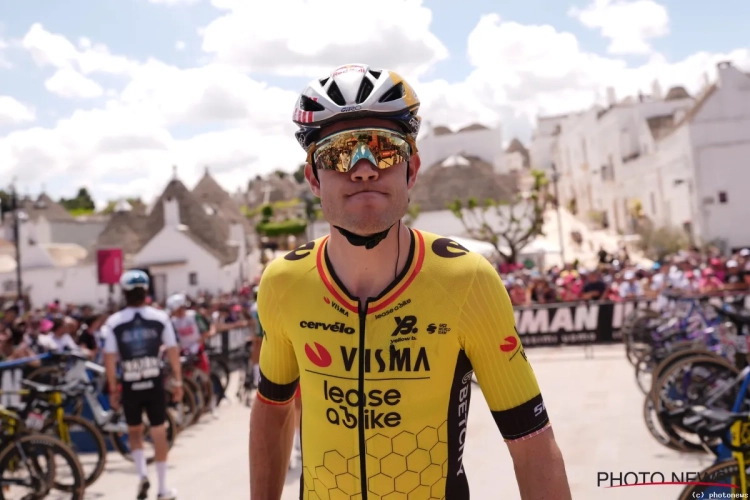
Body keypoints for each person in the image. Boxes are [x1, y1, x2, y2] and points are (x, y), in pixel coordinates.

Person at [249, 63, 571, 500]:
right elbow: (273, 408)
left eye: (384, 149)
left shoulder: (468, 280)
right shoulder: (283, 282)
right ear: (313, 178)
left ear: (412, 169)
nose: (363, 169)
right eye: (339, 152)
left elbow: (532, 443)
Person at [102, 270, 182, 500]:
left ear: (124, 293)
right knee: (159, 431)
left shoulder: (115, 322)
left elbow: (109, 358)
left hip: (130, 383)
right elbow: (173, 351)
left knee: (134, 431)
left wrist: (112, 387)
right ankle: (163, 488)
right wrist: (177, 380)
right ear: (146, 291)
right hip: (153, 380)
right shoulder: (159, 318)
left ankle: (142, 474)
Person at [166, 293, 217, 417]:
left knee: (205, 375)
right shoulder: (173, 321)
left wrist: (197, 344)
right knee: (185, 376)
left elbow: (206, 331)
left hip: (197, 348)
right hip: (184, 351)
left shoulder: (193, 316)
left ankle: (211, 403)